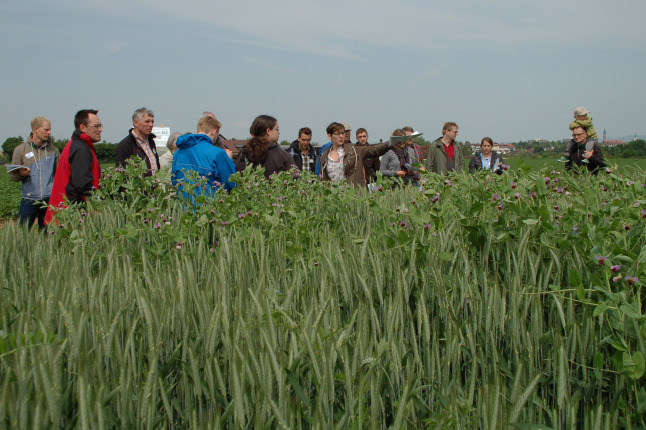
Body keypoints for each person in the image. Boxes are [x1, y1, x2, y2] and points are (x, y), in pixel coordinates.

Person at [45, 109, 102, 225]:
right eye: (96, 126)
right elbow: (82, 184)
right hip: (70, 215)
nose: (100, 130)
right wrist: (99, 204)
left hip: (62, 214)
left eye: (101, 126)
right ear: (82, 127)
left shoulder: (75, 145)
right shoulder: (81, 149)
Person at [10, 116, 60, 230]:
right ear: (35, 129)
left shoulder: (54, 150)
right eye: (46, 130)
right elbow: (13, 177)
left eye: (49, 130)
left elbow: (58, 175)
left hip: (48, 200)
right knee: (22, 236)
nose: (49, 132)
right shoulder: (20, 150)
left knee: (47, 235)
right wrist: (21, 174)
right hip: (29, 199)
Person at [171, 115, 236, 199]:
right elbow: (231, 184)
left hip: (184, 207)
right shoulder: (217, 153)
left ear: (197, 131)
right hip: (207, 207)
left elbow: (174, 181)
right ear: (214, 132)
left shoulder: (178, 152)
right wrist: (228, 160)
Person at [319, 122, 392, 188]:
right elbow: (323, 179)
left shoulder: (354, 150)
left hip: (351, 195)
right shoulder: (324, 155)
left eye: (343, 133)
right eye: (337, 134)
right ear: (330, 136)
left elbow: (374, 149)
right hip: (334, 198)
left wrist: (390, 143)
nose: (341, 136)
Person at [115, 107, 160, 176]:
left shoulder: (151, 142)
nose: (151, 125)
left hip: (153, 185)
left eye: (152, 122)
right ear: (135, 122)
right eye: (147, 121)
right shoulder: (126, 145)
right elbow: (121, 174)